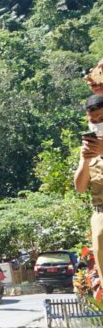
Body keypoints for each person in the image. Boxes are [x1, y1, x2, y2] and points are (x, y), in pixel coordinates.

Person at [75, 94, 103, 267]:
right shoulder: (88, 148)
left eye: (102, 118)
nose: (98, 123)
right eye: (93, 120)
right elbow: (80, 187)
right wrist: (85, 160)